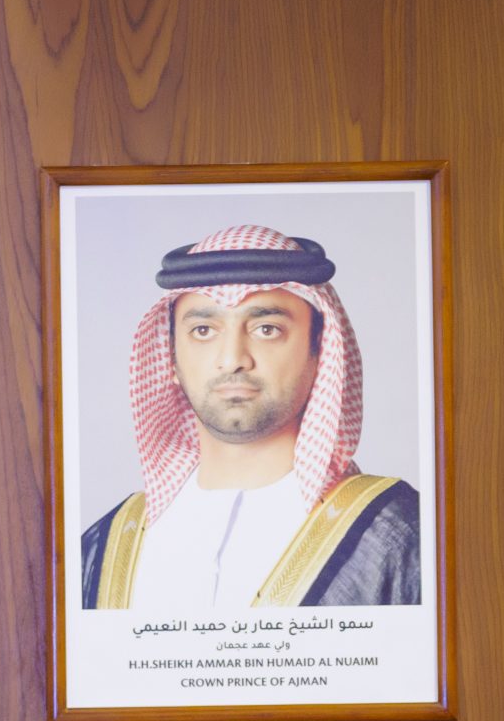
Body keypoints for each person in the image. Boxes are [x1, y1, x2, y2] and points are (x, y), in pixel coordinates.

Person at [80, 226, 421, 610]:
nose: (232, 359)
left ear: (321, 353)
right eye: (203, 330)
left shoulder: (397, 534)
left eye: (266, 329)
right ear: (170, 358)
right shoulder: (107, 546)